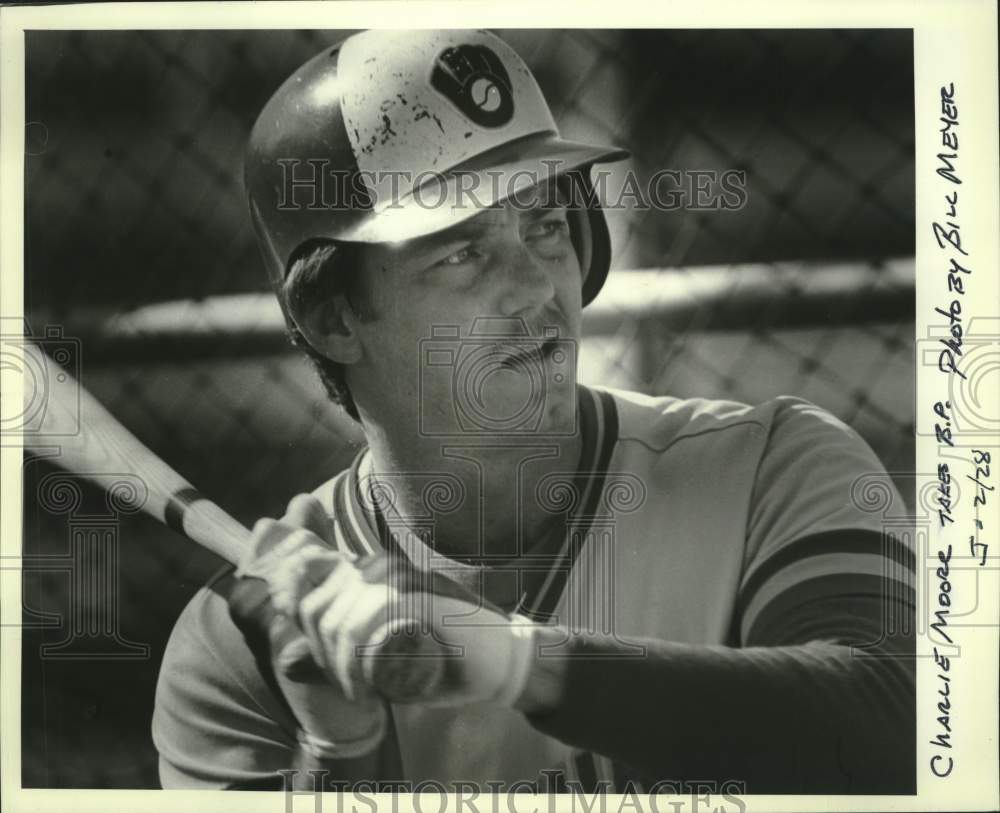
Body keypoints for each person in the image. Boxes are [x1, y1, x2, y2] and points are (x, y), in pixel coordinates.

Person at [152, 29, 915, 794]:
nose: (535, 287)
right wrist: (339, 744)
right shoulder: (243, 646)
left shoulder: (771, 471)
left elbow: (893, 731)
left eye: (545, 226)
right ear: (333, 320)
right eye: (460, 252)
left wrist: (507, 656)